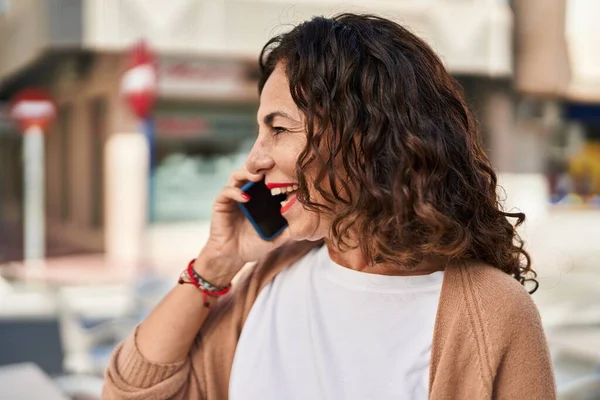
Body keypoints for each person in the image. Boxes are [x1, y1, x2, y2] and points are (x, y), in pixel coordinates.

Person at [103, 13, 555, 400]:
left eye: (278, 129)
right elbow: (129, 391)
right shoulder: (271, 277)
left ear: (364, 136)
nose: (255, 160)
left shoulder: (491, 313)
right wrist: (216, 265)